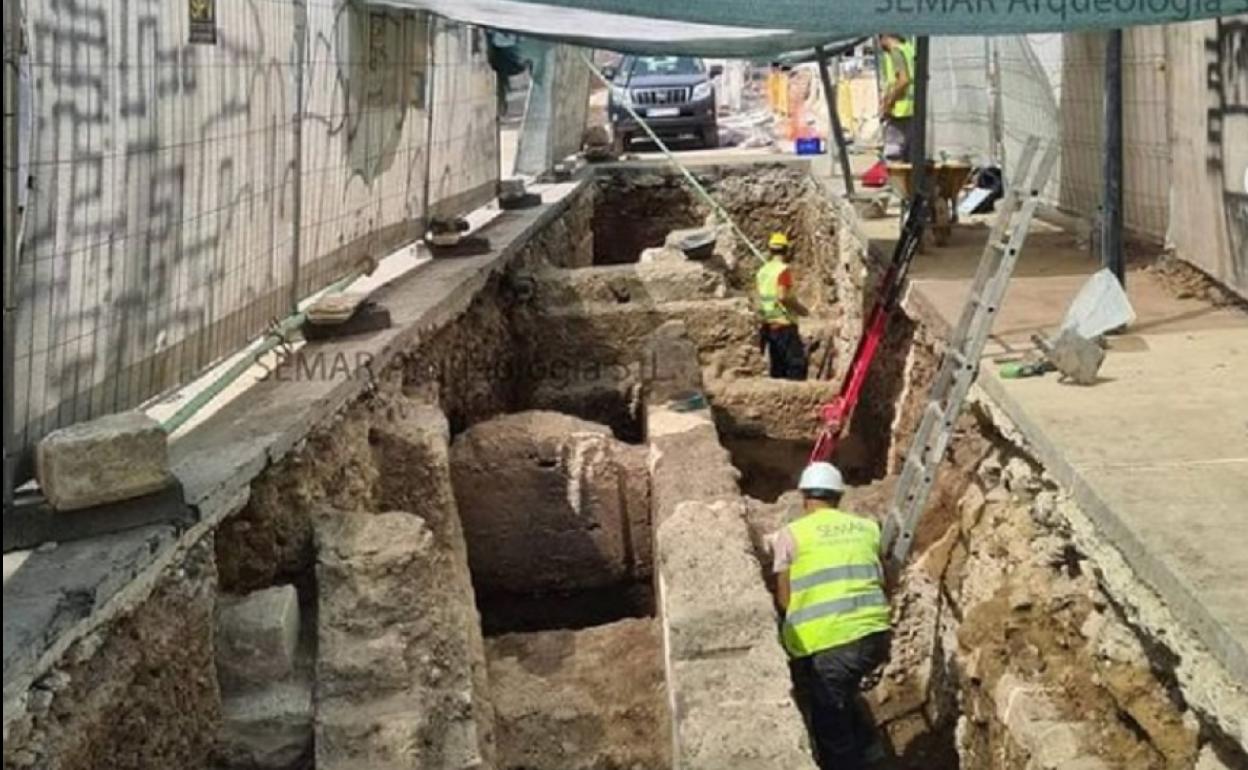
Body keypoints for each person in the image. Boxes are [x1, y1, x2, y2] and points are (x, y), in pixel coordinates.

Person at [773, 462, 891, 770]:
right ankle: (871, 748)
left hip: (832, 641)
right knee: (844, 692)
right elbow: (883, 577)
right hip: (876, 635)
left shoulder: (790, 535)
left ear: (804, 497)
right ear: (839, 497)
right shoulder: (867, 526)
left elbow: (785, 599)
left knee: (829, 720)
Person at [755, 232, 808, 380]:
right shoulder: (783, 270)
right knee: (796, 366)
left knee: (777, 369)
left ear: (770, 250)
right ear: (786, 250)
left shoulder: (762, 272)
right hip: (785, 323)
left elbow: (762, 297)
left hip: (769, 325)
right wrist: (801, 309)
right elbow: (782, 296)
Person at [877, 33, 916, 162]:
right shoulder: (909, 49)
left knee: (893, 156)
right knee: (910, 158)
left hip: (900, 112)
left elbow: (903, 81)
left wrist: (888, 104)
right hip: (914, 111)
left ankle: (896, 182)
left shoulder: (896, 52)